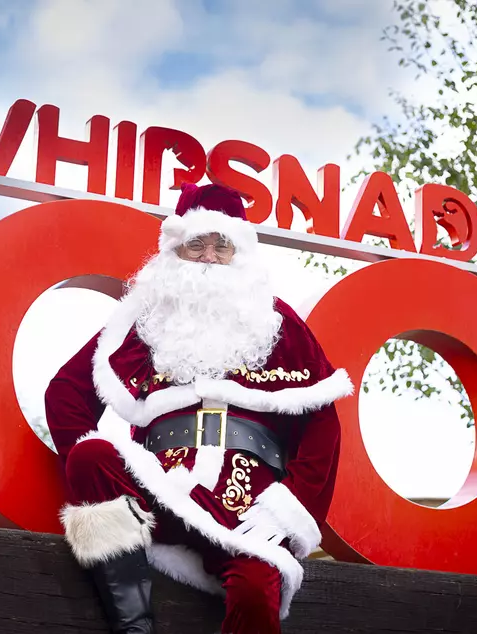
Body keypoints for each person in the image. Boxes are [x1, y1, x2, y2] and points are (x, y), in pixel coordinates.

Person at [44, 182, 353, 634]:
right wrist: (95, 488)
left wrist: (288, 508)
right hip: (158, 494)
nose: (209, 257)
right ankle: (132, 621)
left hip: (246, 509)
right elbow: (66, 393)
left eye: (221, 245)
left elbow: (323, 424)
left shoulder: (279, 323)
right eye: (196, 245)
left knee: (255, 589)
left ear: (239, 253)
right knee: (92, 456)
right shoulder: (144, 320)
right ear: (175, 251)